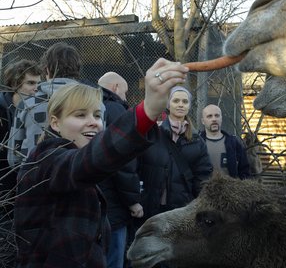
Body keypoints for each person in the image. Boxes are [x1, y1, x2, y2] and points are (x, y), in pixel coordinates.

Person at [14, 58, 189, 267]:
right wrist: (148, 110)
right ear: (55, 122)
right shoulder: (47, 159)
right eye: (80, 114)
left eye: (97, 115)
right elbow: (88, 161)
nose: (93, 122)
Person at [7, 42, 102, 166]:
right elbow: (100, 147)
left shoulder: (27, 104)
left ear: (46, 70)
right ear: (77, 70)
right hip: (79, 173)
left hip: (33, 174)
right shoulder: (95, 102)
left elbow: (13, 155)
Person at [138, 86, 213, 219]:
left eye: (185, 102)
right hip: (151, 206)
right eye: (176, 101)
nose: (180, 105)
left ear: (189, 106)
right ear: (168, 104)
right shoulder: (153, 134)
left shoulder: (197, 141)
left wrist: (200, 205)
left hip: (182, 207)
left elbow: (203, 176)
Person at [97, 71, 143, 268]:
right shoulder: (116, 109)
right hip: (114, 203)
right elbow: (123, 159)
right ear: (115, 88)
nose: (125, 98)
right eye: (125, 93)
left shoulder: (93, 106)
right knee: (114, 257)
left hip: (97, 198)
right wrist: (133, 200)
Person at [0, 59, 41, 267]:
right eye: (31, 83)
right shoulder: (1, 109)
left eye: (38, 84)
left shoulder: (35, 110)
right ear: (16, 83)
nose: (36, 89)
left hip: (23, 185)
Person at [200, 104, 250, 179]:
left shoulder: (233, 143)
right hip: (203, 189)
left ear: (221, 118)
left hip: (230, 189)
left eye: (217, 115)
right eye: (209, 116)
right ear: (203, 121)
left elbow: (245, 171)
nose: (214, 119)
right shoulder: (197, 143)